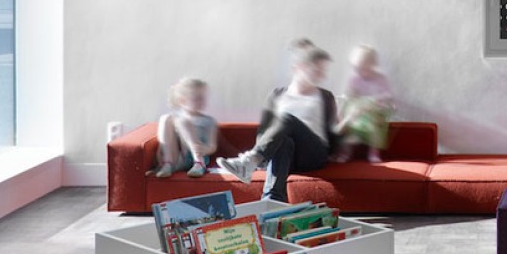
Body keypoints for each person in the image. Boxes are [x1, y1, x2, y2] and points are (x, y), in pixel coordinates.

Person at [217, 39, 338, 202]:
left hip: (313, 154)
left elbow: (332, 132)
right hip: (286, 154)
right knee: (285, 141)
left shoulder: (325, 96)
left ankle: (248, 162)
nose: (320, 74)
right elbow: (264, 131)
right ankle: (272, 201)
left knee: (286, 118)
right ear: (299, 67)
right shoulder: (277, 95)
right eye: (315, 68)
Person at [334, 44, 396, 163]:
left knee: (375, 127)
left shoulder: (380, 78)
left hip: (374, 111)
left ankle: (374, 152)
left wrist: (373, 102)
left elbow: (387, 96)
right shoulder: (354, 79)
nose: (360, 72)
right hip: (357, 111)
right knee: (348, 121)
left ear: (373, 65)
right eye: (356, 68)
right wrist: (348, 101)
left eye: (363, 68)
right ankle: (345, 152)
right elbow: (350, 95)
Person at [148, 77, 219, 178]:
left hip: (195, 156)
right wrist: (162, 147)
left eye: (202, 98)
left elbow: (212, 146)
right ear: (182, 101)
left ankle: (199, 163)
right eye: (196, 99)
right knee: (166, 118)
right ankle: (167, 163)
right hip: (177, 157)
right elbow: (169, 138)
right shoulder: (173, 119)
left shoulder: (209, 121)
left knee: (182, 121)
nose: (201, 102)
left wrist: (205, 149)